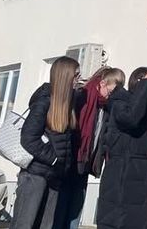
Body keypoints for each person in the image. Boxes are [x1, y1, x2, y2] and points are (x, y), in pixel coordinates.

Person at [54, 66, 126, 229]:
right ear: (102, 83)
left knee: (76, 207)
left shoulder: (107, 106)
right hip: (71, 159)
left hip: (85, 162)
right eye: (112, 89)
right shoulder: (83, 96)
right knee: (62, 207)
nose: (113, 95)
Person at [12, 57, 79, 229]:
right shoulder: (44, 102)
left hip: (54, 177)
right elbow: (28, 139)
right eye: (75, 75)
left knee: (46, 225)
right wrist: (54, 159)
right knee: (24, 225)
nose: (78, 80)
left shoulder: (66, 105)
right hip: (35, 176)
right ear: (65, 76)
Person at [96, 66, 147, 229]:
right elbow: (131, 118)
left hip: (143, 185)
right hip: (122, 184)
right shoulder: (120, 103)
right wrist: (145, 85)